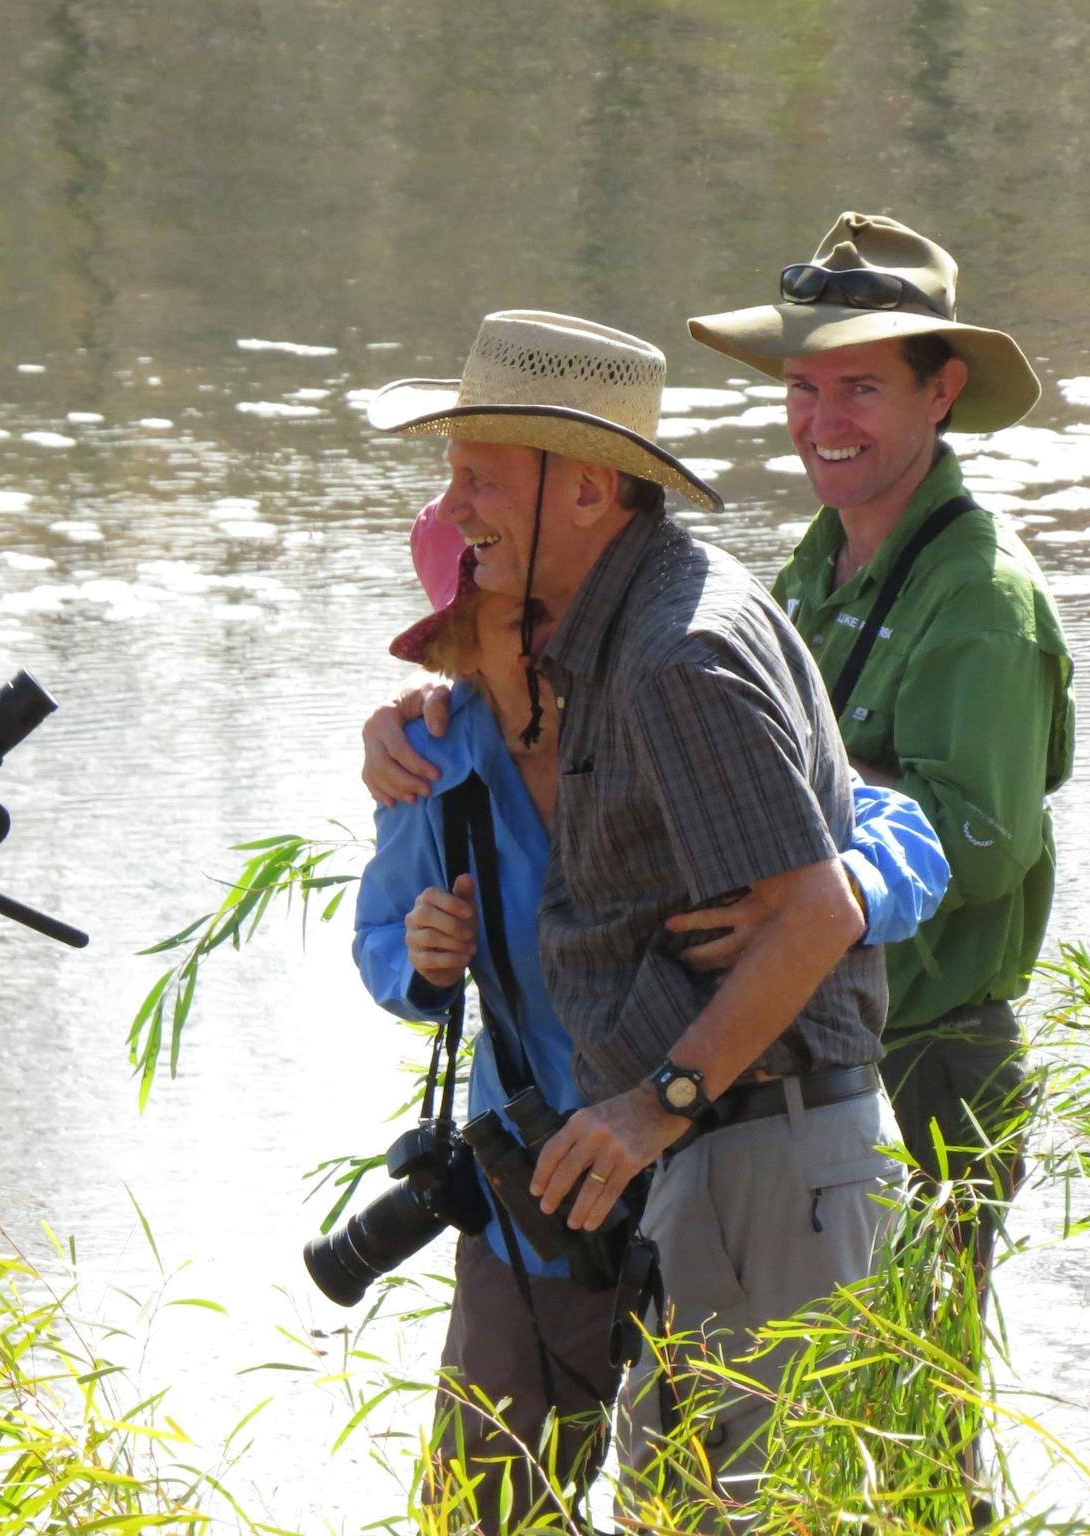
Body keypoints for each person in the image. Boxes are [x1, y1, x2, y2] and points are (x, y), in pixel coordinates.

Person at [364, 309, 904, 1514]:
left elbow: (815, 908)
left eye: (479, 478)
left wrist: (652, 1105)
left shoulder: (672, 655)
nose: (453, 511)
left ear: (593, 488)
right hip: (734, 1156)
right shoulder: (634, 624)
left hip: (753, 1151)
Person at [685, 211, 1075, 1297]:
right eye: (802, 388)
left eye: (859, 389)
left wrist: (790, 861)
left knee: (918, 1422)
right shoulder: (821, 554)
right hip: (818, 1038)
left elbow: (981, 847)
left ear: (940, 391)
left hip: (927, 1055)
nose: (819, 421)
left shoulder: (981, 597)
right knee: (788, 1404)